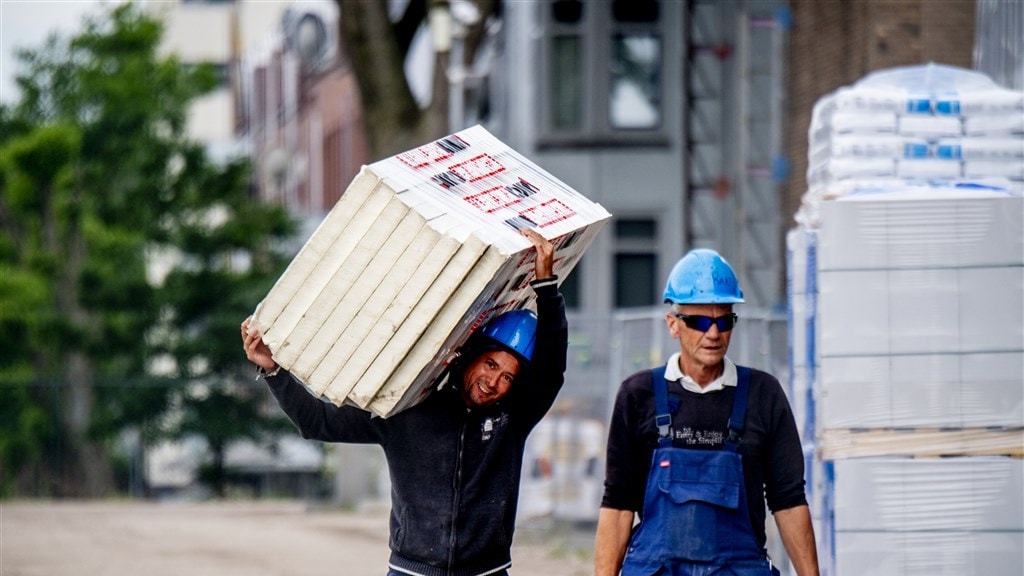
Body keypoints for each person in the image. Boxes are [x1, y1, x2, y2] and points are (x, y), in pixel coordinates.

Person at [241, 227, 567, 576]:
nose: (494, 382)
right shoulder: (408, 407)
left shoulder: (512, 419)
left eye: (508, 378)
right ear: (473, 355)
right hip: (411, 572)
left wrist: (546, 287)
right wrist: (274, 371)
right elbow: (317, 422)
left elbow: (551, 370)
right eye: (491, 364)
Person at [594, 248, 819, 576]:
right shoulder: (637, 395)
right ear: (673, 325)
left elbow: (788, 499)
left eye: (723, 321)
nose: (713, 333)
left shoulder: (763, 394)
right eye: (699, 321)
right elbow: (618, 503)